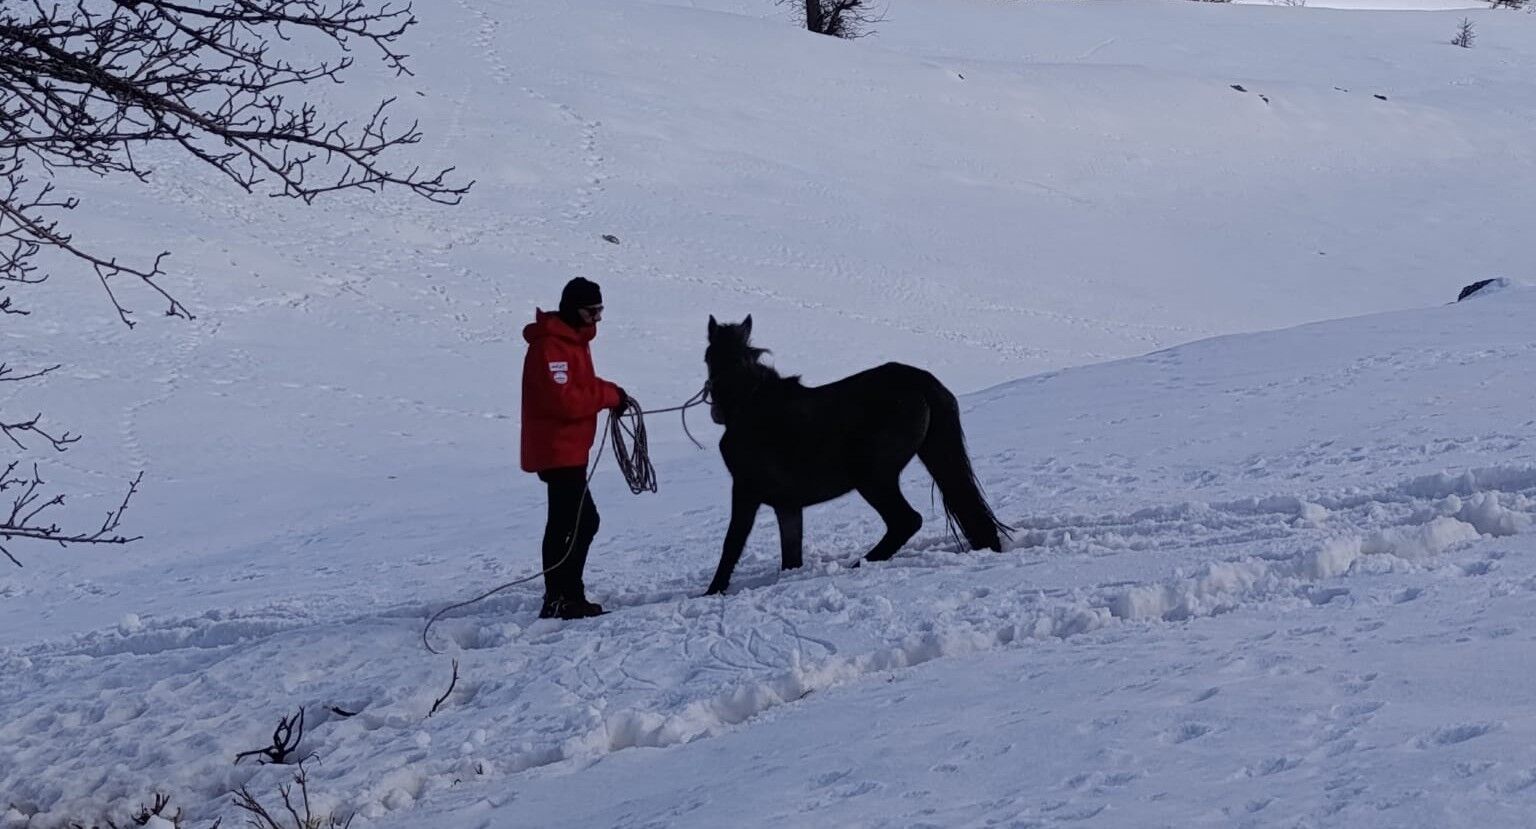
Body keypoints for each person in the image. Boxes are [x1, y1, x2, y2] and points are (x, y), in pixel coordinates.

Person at [521, 277, 627, 619]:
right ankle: (564, 597)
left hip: (569, 450)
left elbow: (579, 386)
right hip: (557, 450)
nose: (597, 319)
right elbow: (564, 400)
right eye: (591, 311)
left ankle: (561, 597)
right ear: (573, 309)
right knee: (582, 522)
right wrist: (609, 396)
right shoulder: (551, 346)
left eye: (600, 311)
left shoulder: (572, 342)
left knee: (568, 521)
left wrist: (613, 391)